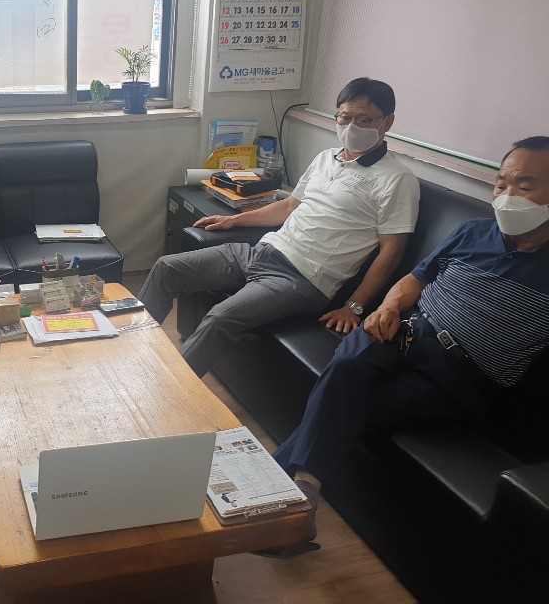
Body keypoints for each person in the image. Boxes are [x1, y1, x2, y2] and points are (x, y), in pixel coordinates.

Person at [272, 135, 549, 552]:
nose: (507, 197)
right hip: (407, 331)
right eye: (500, 184)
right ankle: (300, 497)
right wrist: (387, 307)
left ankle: (273, 495)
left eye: (524, 186)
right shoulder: (473, 231)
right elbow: (415, 279)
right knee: (349, 363)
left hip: (461, 378)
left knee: (354, 406)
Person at [140, 77, 420, 377]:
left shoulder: (397, 179)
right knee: (166, 268)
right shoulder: (326, 157)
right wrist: (233, 220)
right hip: (261, 252)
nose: (351, 126)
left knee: (220, 318)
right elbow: (288, 207)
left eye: (363, 120)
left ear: (387, 122)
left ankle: (170, 395)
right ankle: (129, 353)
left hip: (301, 280)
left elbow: (392, 251)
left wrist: (354, 307)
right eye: (344, 117)